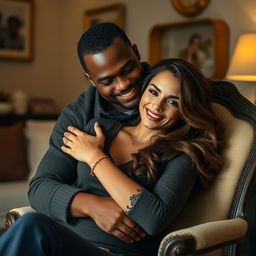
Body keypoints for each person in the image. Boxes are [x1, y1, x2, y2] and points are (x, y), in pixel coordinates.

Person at [0, 58, 223, 256]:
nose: (157, 105)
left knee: (33, 226)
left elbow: (153, 218)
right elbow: (39, 189)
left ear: (186, 110)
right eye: (154, 92)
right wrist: (92, 206)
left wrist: (95, 157)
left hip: (115, 252)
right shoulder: (99, 129)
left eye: (173, 102)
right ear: (144, 89)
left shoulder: (183, 155)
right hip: (63, 242)